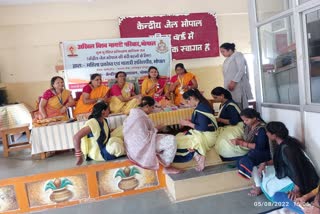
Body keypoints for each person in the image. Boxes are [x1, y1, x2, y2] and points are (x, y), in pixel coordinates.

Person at [250, 122, 319, 213]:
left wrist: (297, 190)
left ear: (274, 135)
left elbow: (296, 169)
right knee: (262, 172)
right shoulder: (285, 143)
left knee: (276, 195)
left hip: (302, 182)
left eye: (268, 132)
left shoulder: (287, 148)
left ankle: (308, 210)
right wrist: (265, 163)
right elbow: (281, 161)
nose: (266, 134)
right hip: (304, 184)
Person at [123, 96, 180, 174]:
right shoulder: (140, 117)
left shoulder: (135, 113)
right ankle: (166, 167)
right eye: (152, 108)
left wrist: (155, 130)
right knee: (171, 140)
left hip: (132, 145)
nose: (152, 110)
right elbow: (144, 138)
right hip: (139, 148)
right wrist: (157, 129)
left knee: (165, 137)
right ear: (147, 106)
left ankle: (161, 162)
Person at [174, 89, 218, 171]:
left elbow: (203, 128)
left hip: (207, 136)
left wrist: (188, 124)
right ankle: (197, 155)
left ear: (191, 98)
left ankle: (199, 156)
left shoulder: (201, 108)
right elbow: (202, 123)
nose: (188, 104)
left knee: (179, 141)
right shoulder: (203, 104)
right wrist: (190, 121)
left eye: (187, 101)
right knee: (179, 136)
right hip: (206, 133)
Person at [231, 108, 271, 179]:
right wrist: (239, 140)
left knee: (245, 162)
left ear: (254, 118)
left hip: (264, 152)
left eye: (247, 120)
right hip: (255, 151)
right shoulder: (249, 126)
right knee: (239, 161)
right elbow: (248, 139)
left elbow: (260, 147)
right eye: (243, 120)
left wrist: (241, 143)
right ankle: (257, 180)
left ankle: (258, 186)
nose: (245, 122)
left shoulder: (261, 129)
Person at [211, 87, 247, 159]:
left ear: (222, 96)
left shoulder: (230, 105)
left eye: (215, 97)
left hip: (236, 127)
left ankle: (232, 155)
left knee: (224, 142)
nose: (214, 100)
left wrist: (219, 120)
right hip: (228, 127)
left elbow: (234, 121)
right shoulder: (223, 104)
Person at [220, 42, 253, 109]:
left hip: (237, 85)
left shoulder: (238, 55)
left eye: (223, 51)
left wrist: (233, 82)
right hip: (230, 86)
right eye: (221, 52)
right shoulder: (227, 60)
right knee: (232, 104)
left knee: (239, 104)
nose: (222, 54)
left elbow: (241, 70)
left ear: (229, 50)